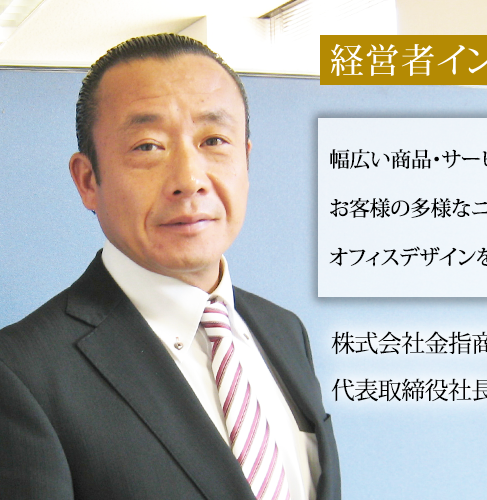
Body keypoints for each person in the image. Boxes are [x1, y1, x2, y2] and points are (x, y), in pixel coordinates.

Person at [0, 34, 340, 500]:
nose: (190, 179)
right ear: (88, 180)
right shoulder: (21, 374)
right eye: (148, 146)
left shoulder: (284, 332)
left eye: (214, 140)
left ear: (245, 160)